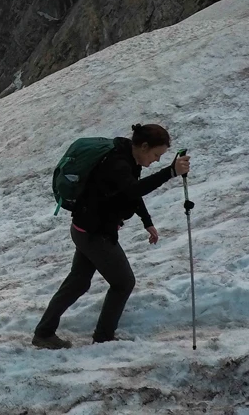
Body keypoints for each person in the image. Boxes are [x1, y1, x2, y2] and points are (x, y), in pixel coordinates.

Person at [32, 124, 191, 349]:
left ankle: (44, 333)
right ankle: (103, 337)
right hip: (95, 234)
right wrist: (170, 171)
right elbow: (133, 190)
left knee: (77, 283)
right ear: (144, 146)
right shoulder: (118, 163)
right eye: (156, 154)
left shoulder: (127, 157)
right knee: (124, 282)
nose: (156, 160)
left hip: (84, 229)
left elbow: (130, 191)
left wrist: (147, 221)